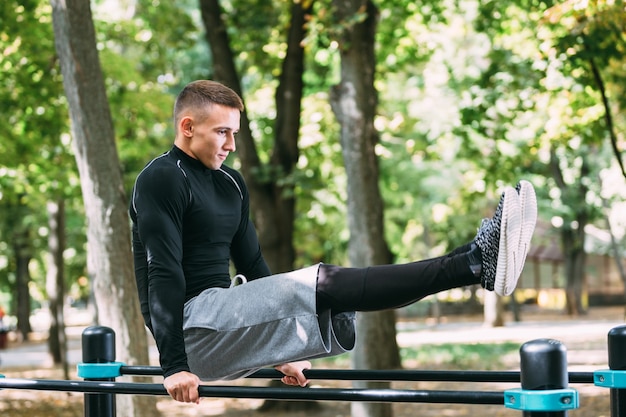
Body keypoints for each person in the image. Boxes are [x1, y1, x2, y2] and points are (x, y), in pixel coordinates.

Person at [129, 80, 537, 404]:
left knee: (336, 298)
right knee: (325, 281)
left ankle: (473, 265)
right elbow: (162, 273)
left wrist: (278, 350)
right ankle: (471, 262)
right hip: (188, 332)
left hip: (224, 319)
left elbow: (254, 267)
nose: (231, 145)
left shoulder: (231, 183)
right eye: (222, 132)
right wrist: (174, 367)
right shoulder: (161, 178)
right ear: (187, 127)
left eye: (234, 133)